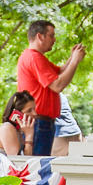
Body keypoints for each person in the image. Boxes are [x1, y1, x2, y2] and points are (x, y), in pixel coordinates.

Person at [17, 20, 83, 157]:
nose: (54, 39)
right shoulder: (34, 58)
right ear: (40, 36)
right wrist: (75, 61)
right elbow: (57, 85)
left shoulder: (36, 57)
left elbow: (59, 72)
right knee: (39, 166)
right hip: (39, 122)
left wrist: (72, 58)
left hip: (43, 122)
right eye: (51, 35)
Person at [0, 91, 38, 156]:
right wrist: (29, 136)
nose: (35, 114)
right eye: (29, 111)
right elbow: (20, 162)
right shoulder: (7, 129)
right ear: (16, 115)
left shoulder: (18, 131)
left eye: (34, 109)